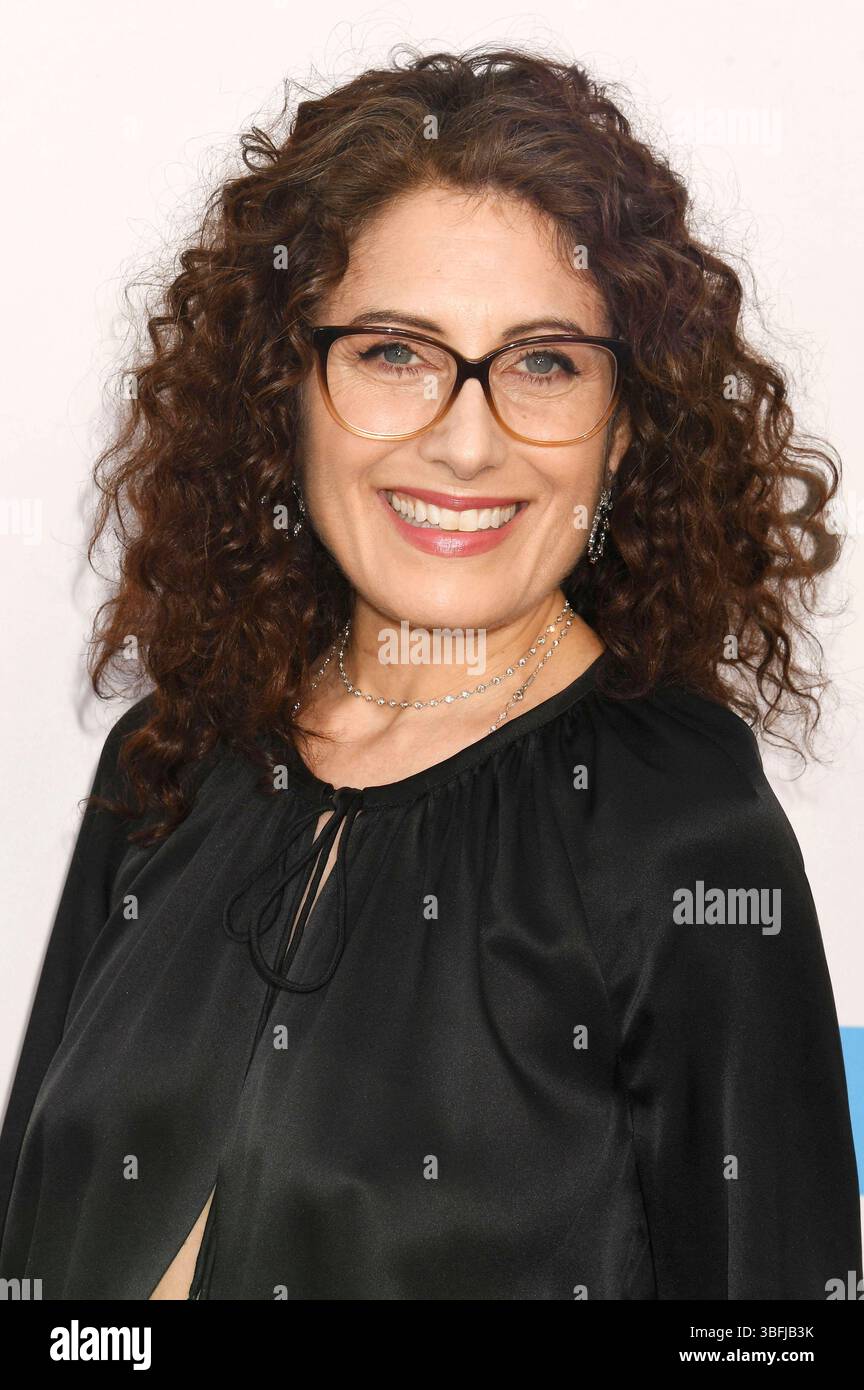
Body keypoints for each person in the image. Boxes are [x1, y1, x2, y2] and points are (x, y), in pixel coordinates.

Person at [0, 46, 859, 1301]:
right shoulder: (167, 760)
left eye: (544, 363)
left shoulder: (683, 830)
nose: (465, 441)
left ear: (625, 429)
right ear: (290, 390)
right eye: (395, 352)